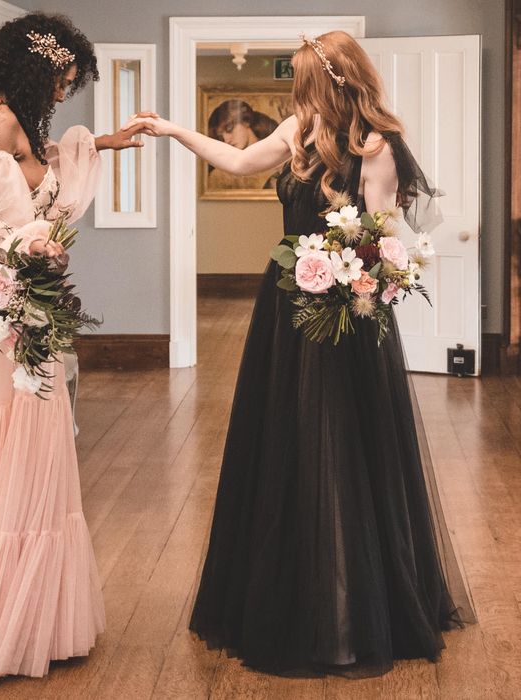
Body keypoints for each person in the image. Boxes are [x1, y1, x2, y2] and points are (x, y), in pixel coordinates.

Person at [129, 30, 475, 678]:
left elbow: (377, 239)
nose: (293, 92)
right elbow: (234, 164)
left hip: (346, 321)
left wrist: (357, 280)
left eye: (300, 81)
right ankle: (295, 597)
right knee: (289, 446)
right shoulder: (295, 131)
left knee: (343, 451)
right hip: (286, 314)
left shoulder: (378, 148)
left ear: (329, 81)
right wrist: (173, 129)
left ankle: (355, 610)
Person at [0, 13, 149, 682]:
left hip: (33, 307)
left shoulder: (20, 122)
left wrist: (108, 143)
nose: (66, 92)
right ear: (31, 69)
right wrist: (29, 252)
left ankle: (33, 615)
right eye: (62, 79)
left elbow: (41, 165)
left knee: (37, 449)